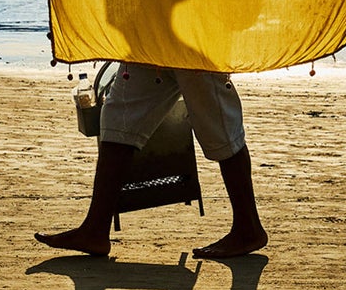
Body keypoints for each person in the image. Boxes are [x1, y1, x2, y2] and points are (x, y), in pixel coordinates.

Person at [35, 68, 268, 261]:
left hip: (194, 37)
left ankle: (248, 228)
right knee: (118, 117)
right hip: (151, 38)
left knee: (220, 126)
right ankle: (95, 229)